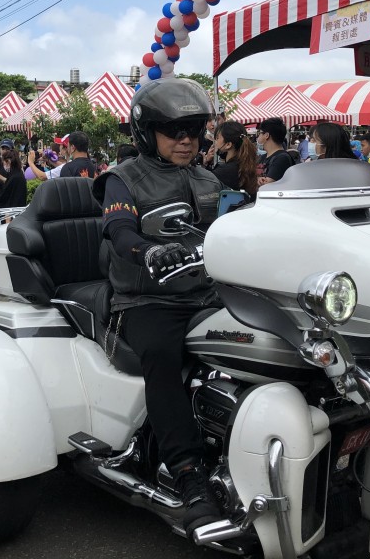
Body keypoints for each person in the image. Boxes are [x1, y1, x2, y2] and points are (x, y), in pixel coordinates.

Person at [92, 77, 225, 536]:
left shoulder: (209, 178)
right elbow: (120, 230)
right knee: (163, 359)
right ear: (146, 132)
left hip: (207, 293)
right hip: (146, 299)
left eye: (194, 129)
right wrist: (145, 251)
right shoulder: (122, 179)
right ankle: (189, 475)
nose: (187, 140)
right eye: (174, 131)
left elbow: (237, 225)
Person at [208, 121, 259, 198]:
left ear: (228, 145)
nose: (215, 142)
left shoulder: (225, 171)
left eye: (217, 138)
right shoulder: (245, 164)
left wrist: (204, 164)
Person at [0, 140, 27, 208]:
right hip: (7, 205)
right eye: (3, 148)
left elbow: (11, 186)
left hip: (8, 207)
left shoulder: (18, 172)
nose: (4, 151)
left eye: (7, 149)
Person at [257, 117, 295, 185]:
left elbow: (267, 184)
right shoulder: (263, 157)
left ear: (266, 135)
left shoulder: (282, 158)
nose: (258, 137)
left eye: (259, 133)